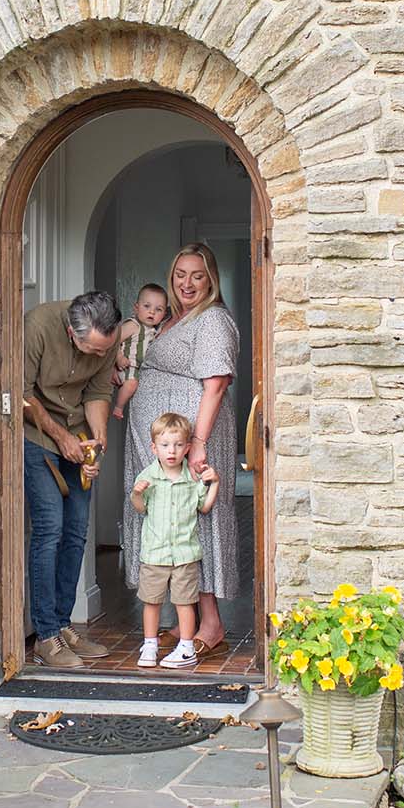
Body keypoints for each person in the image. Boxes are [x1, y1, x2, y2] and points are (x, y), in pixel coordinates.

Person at [123, 243, 240, 657]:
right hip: (164, 442)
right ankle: (183, 617)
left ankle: (211, 623)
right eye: (179, 275)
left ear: (211, 279)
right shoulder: (173, 320)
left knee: (194, 520)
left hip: (191, 441)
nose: (186, 283)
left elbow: (216, 384)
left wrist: (198, 444)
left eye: (196, 275)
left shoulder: (213, 320)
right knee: (166, 517)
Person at [23, 290, 122, 670]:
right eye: (92, 350)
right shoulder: (38, 326)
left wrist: (96, 445)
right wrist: (59, 437)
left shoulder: (106, 339)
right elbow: (22, 391)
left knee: (77, 530)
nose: (99, 356)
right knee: (50, 527)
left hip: (78, 436)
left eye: (104, 350)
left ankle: (64, 626)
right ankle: (45, 636)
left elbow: (98, 391)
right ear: (71, 332)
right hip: (38, 436)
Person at [131, 412, 219, 670]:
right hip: (155, 554)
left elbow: (204, 507)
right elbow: (140, 507)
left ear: (188, 448)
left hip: (184, 554)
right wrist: (137, 494)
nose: (172, 451)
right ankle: (150, 644)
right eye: (165, 445)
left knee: (184, 602)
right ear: (154, 447)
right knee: (151, 601)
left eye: (179, 445)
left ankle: (186, 647)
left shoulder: (191, 479)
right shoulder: (148, 477)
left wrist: (214, 483)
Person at [112, 283, 169, 420]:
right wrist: (118, 358)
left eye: (158, 309)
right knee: (132, 384)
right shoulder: (133, 325)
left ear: (164, 314)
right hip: (127, 364)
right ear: (136, 308)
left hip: (138, 368)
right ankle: (118, 407)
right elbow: (113, 341)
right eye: (147, 306)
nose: (152, 312)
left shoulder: (155, 330)